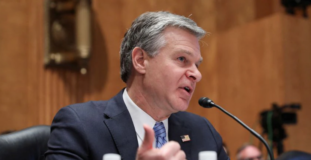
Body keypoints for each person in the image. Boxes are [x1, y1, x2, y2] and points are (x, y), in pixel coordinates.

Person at [45, 11, 229, 160]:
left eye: (197, 65)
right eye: (182, 59)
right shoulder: (80, 125)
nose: (197, 74)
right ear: (140, 60)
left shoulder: (203, 131)